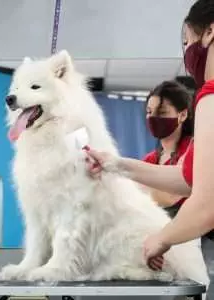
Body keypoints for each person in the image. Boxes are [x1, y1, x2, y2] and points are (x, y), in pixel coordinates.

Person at [84, 0, 214, 271]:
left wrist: (161, 239)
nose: (187, 50)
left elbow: (205, 205)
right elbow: (187, 178)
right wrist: (116, 164)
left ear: (210, 31)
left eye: (187, 40)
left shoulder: (211, 98)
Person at [142, 81, 194, 218]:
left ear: (182, 115)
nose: (153, 117)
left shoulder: (194, 149)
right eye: (149, 112)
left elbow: (170, 197)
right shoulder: (150, 159)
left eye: (162, 112)